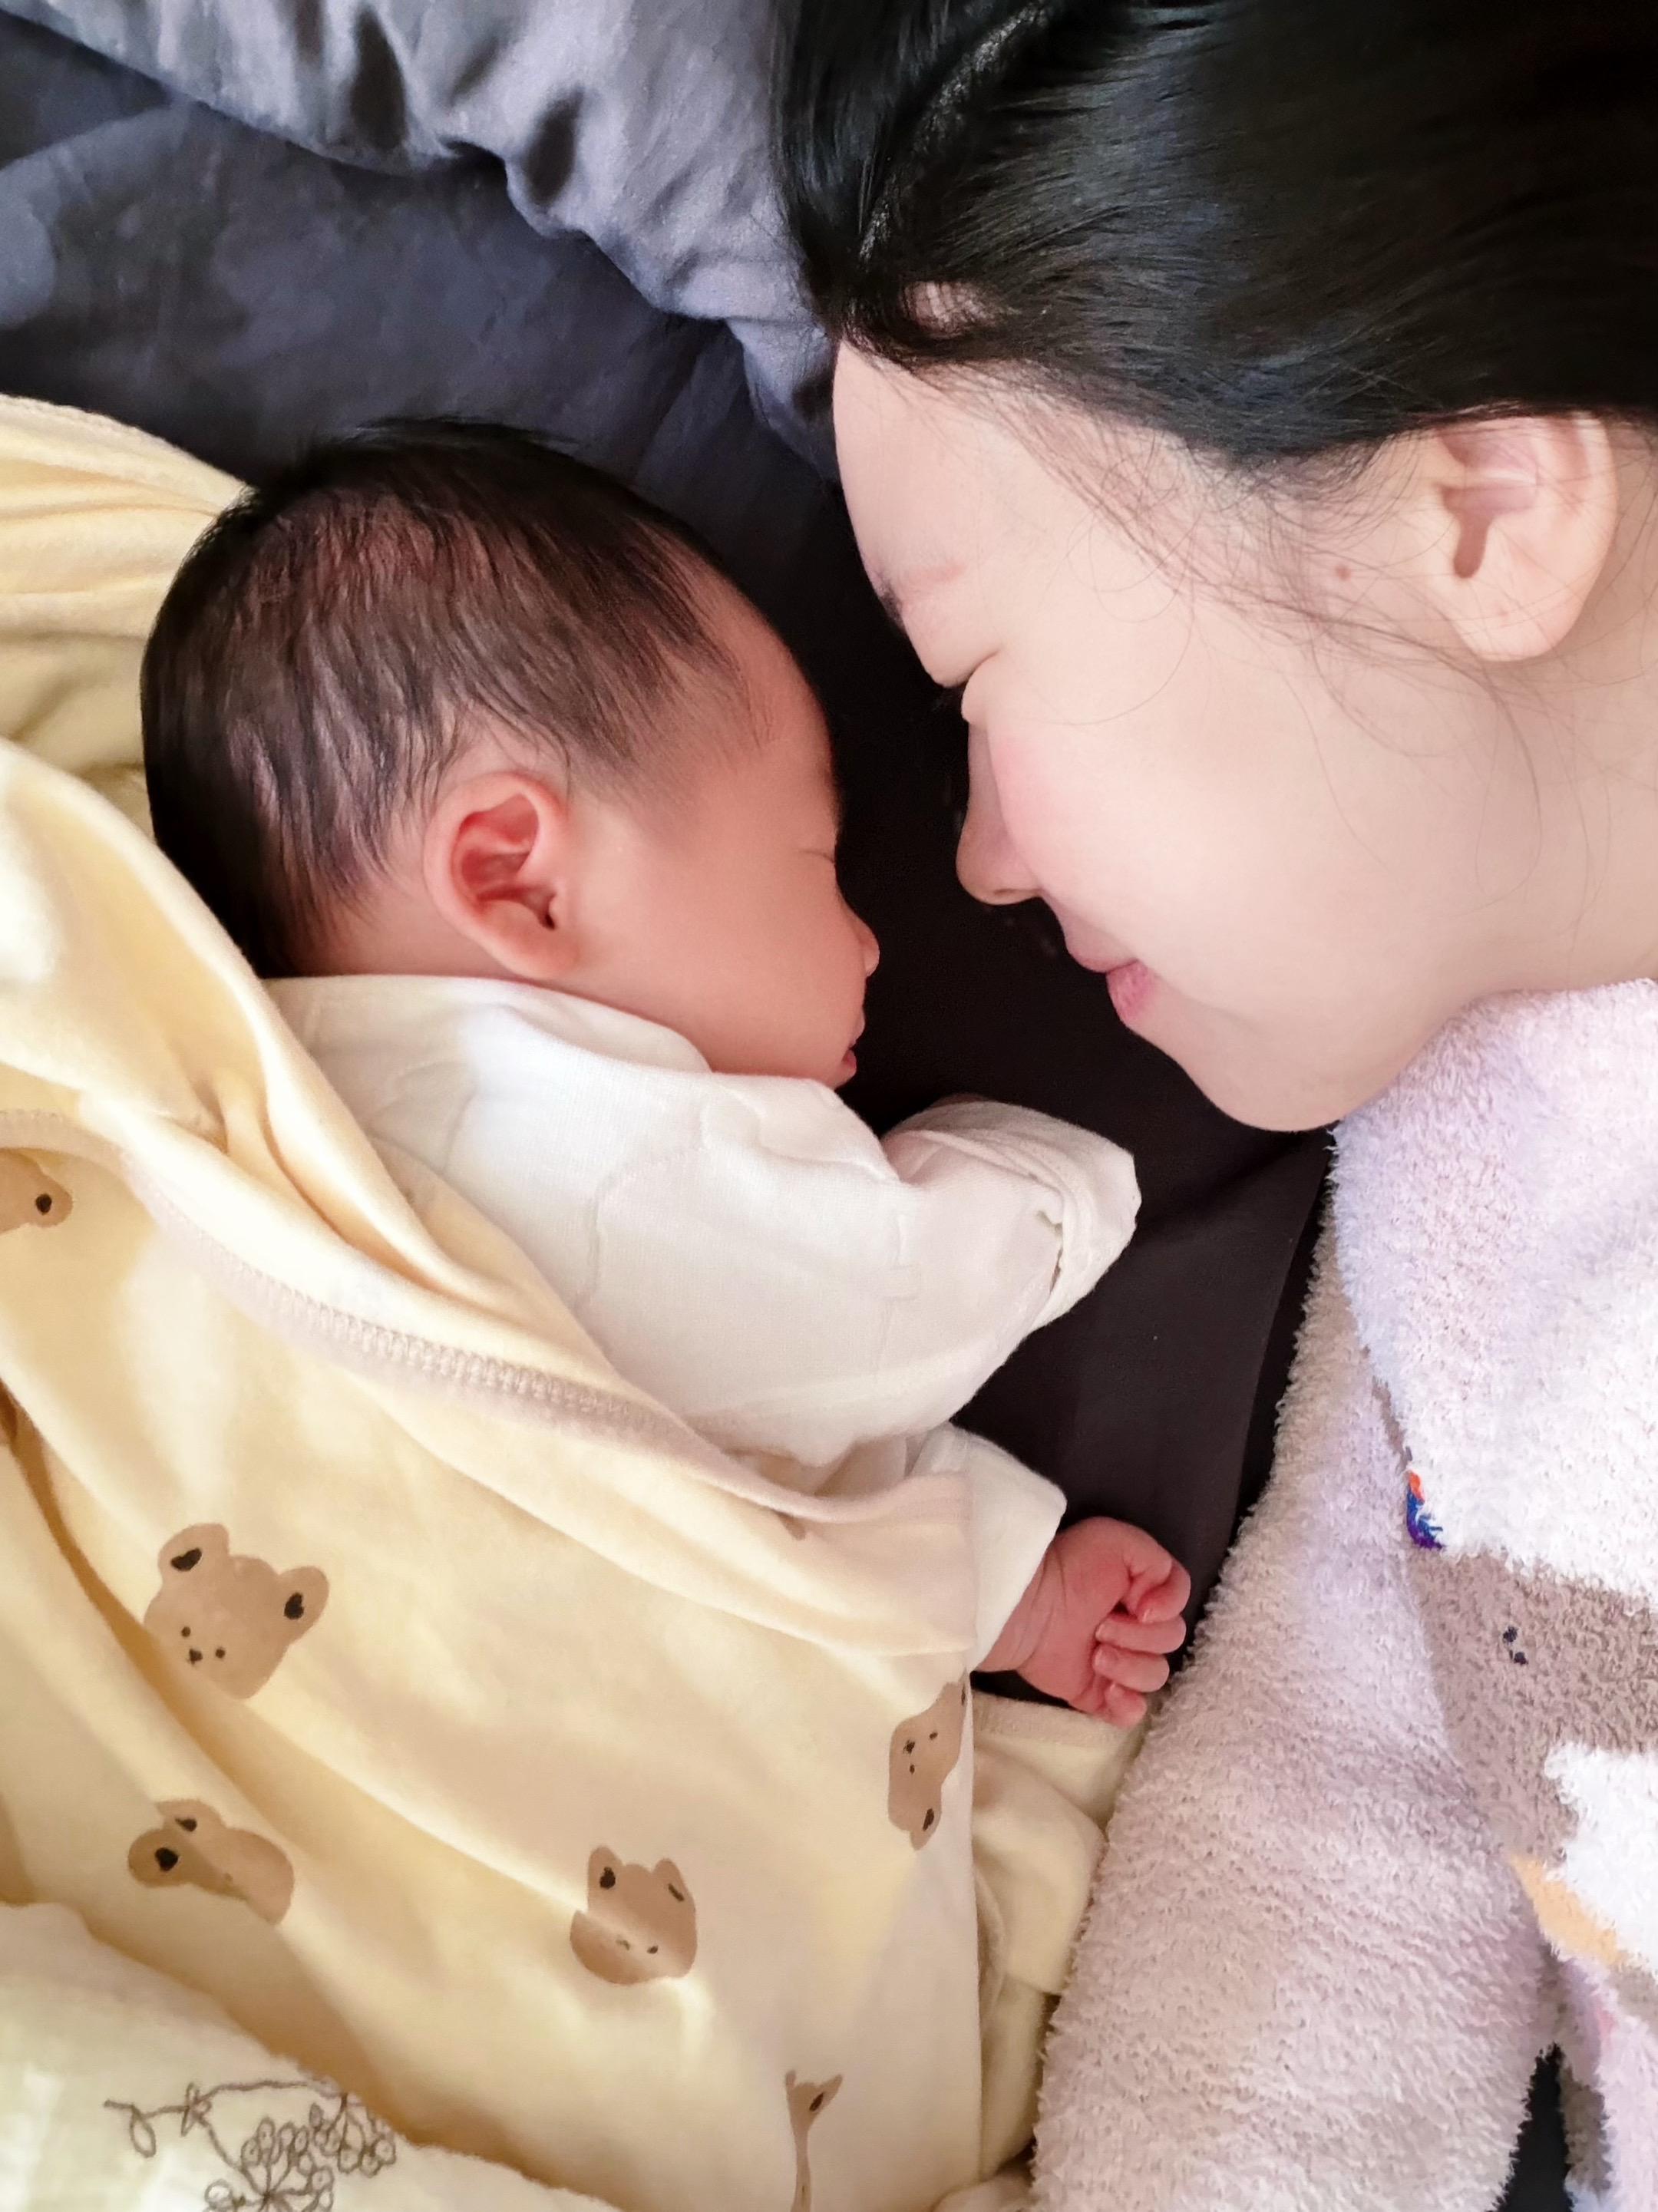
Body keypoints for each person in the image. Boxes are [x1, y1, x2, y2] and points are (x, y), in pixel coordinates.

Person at [777, 2, 1658, 2207]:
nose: (980, 858)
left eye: (977, 680)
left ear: (1479, 510)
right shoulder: (1456, 1173)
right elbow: (1333, 1813)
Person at [139, 418, 1190, 1719]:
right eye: (817, 861)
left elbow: (749, 1463)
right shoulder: (605, 1158)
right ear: (521, 882)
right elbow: (895, 1299)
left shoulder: (252, 1087)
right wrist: (1066, 1189)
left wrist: (1019, 1596)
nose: (870, 939)